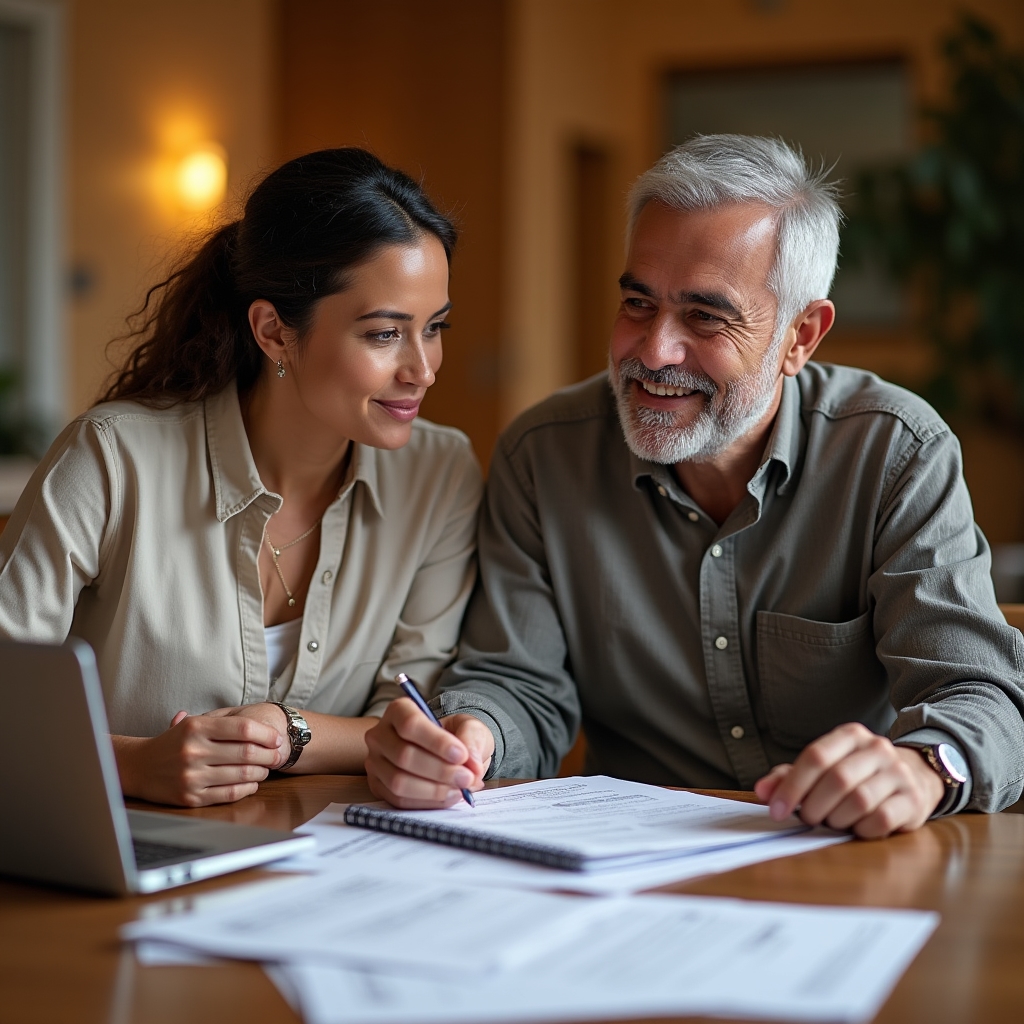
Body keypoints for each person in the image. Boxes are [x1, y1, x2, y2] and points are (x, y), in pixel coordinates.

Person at [365, 134, 1024, 838]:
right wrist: (474, 737)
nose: (653, 352)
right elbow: (518, 684)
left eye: (706, 316)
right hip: (635, 864)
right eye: (638, 304)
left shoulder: (895, 453)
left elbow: (978, 694)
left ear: (801, 336)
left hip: (854, 856)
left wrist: (927, 769)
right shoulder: (542, 455)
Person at [0, 148, 482, 807]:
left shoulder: (440, 473)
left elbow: (406, 723)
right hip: (112, 859)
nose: (422, 368)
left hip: (325, 865)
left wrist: (288, 731)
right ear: (273, 331)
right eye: (383, 335)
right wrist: (133, 768)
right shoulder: (112, 457)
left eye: (435, 328)